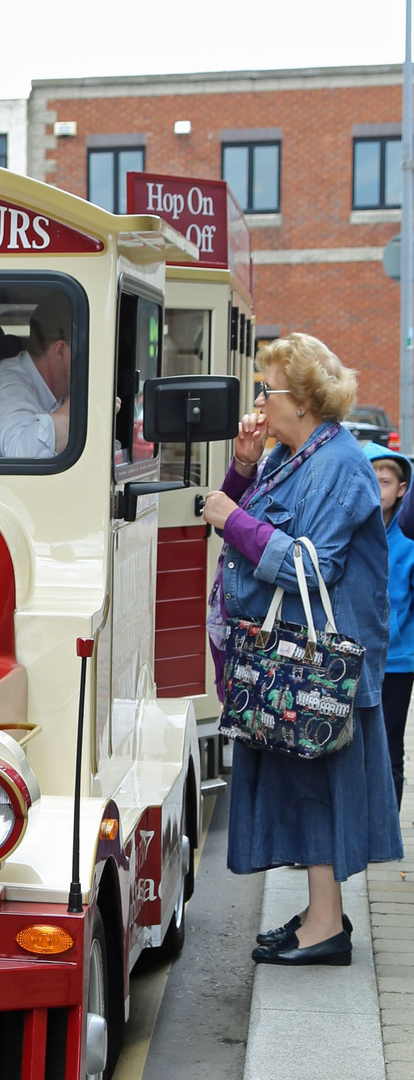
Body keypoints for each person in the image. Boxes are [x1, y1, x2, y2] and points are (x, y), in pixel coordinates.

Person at [203, 332, 403, 967]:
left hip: (316, 665)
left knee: (315, 784)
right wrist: (241, 465)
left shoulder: (337, 463)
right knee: (302, 781)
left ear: (305, 401)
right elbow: (254, 511)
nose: (262, 399)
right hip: (290, 658)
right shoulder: (300, 453)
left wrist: (228, 517)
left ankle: (326, 927)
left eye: (269, 389)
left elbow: (310, 565)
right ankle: (322, 915)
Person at [363, 441, 414, 809]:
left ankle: (386, 828)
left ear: (401, 490)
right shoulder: (347, 535)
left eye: (384, 481)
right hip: (352, 661)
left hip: (396, 663)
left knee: (388, 746)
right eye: (369, 479)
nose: (375, 488)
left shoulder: (409, 544)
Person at [0, 294, 71, 457]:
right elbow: (22, 456)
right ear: (60, 350)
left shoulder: (61, 391)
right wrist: (85, 404)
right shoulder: (7, 385)